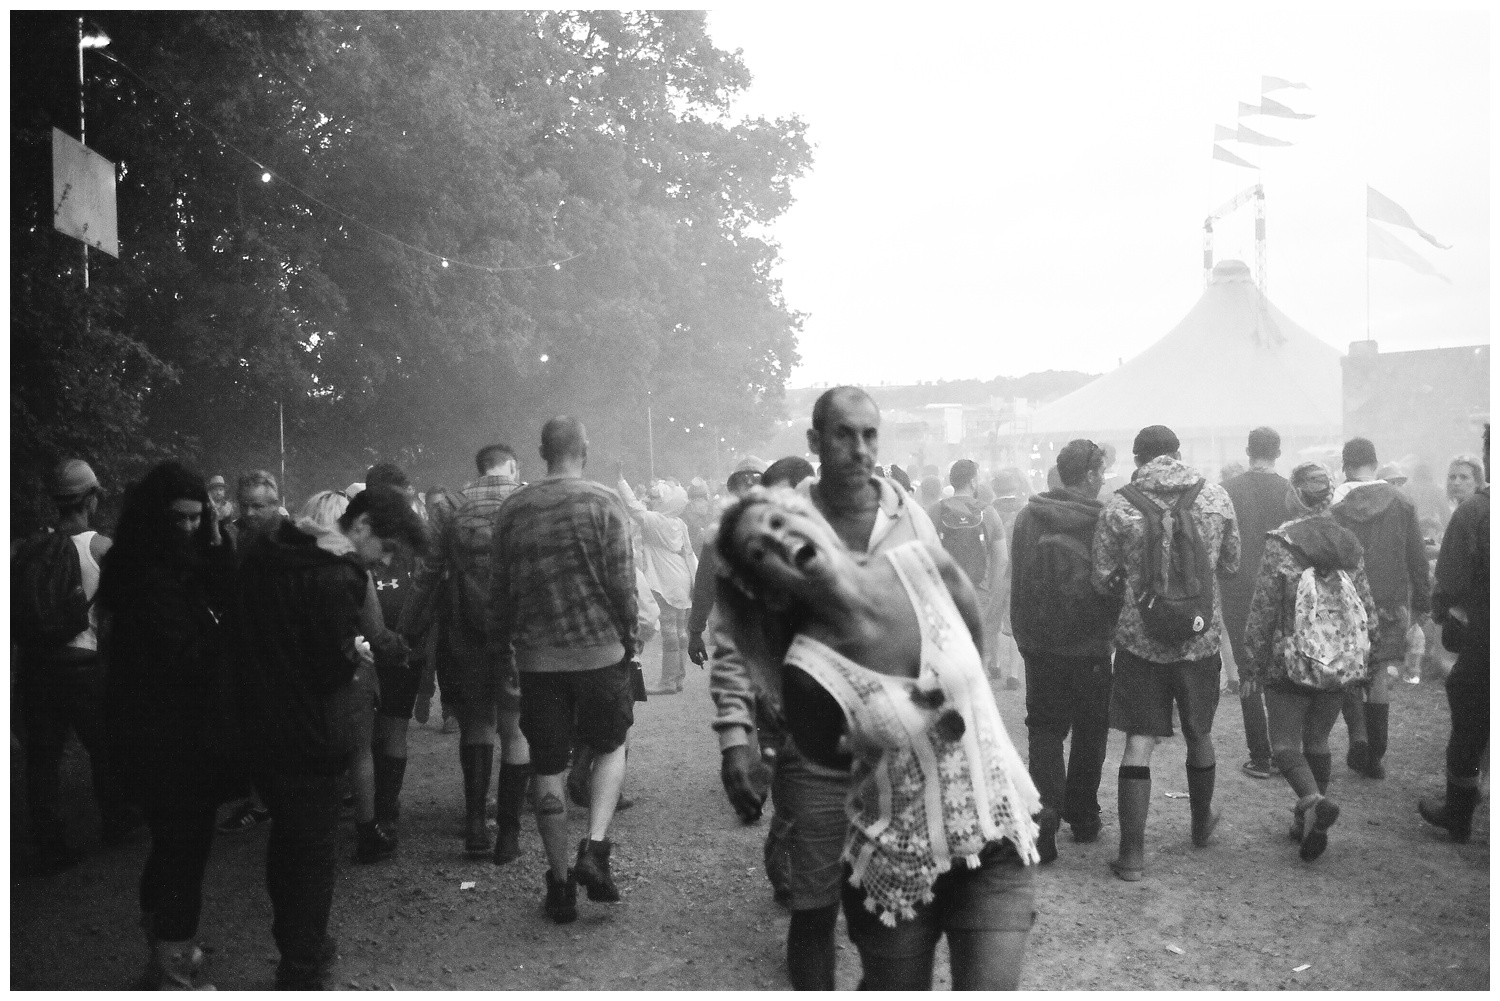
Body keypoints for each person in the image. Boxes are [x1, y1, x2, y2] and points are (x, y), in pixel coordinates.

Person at [717, 486, 1040, 989]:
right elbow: (836, 776)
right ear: (768, 588)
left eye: (778, 524)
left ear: (810, 521)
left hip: (992, 841)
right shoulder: (806, 675)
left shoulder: (928, 565)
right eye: (761, 552)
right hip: (897, 870)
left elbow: (974, 675)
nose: (779, 543)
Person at [708, 386, 939, 989]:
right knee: (813, 910)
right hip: (811, 753)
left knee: (894, 912)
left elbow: (938, 626)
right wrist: (736, 735)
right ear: (814, 442)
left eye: (869, 435)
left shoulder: (909, 518)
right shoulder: (776, 524)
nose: (859, 449)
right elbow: (734, 637)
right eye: (844, 434)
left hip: (896, 755)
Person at [235, 485, 427, 988]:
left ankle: (293, 943)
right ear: (360, 527)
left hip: (259, 719)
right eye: (385, 548)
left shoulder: (275, 549)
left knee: (287, 838)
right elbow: (324, 667)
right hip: (310, 727)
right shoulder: (338, 574)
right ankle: (303, 962)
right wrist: (355, 654)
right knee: (315, 850)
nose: (384, 561)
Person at [486, 417, 639, 924]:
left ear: (540, 451)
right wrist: (629, 634)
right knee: (611, 746)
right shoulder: (603, 502)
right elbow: (622, 583)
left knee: (546, 764)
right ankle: (594, 848)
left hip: (537, 659)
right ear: (585, 448)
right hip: (599, 653)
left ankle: (558, 884)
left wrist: (502, 649)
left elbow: (499, 590)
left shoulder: (514, 509)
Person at [99, 461, 236, 989]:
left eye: (195, 518)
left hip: (163, 732)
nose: (187, 528)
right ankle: (173, 965)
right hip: (165, 735)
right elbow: (185, 653)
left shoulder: (160, 563)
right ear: (157, 516)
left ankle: (166, 951)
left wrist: (216, 537)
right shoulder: (146, 576)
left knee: (173, 846)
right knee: (183, 848)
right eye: (179, 519)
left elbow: (224, 590)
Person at [1091, 425, 1240, 881]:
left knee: (1139, 740)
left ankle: (1133, 854)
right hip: (1199, 640)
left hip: (1141, 643)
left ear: (1138, 459)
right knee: (1199, 734)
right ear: (1179, 453)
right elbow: (1231, 564)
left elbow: (1101, 576)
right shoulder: (1215, 498)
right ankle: (1200, 824)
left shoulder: (1120, 504)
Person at [1241, 463, 1379, 861]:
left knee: (1283, 746)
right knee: (1317, 740)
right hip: (1338, 661)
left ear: (1296, 495)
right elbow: (1364, 602)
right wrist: (1367, 660)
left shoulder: (1281, 542)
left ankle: (1312, 802)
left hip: (1291, 658)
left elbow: (1264, 606)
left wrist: (1252, 661)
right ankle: (1306, 824)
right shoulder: (1348, 543)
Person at [403, 444, 533, 861]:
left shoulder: (452, 511)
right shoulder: (527, 503)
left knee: (476, 726)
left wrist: (405, 629)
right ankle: (508, 835)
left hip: (466, 633)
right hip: (517, 635)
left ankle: (475, 826)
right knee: (515, 732)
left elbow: (427, 574)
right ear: (512, 467)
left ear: (479, 470)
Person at [13, 459, 136, 874]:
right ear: (92, 498)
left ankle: (50, 845)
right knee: (105, 747)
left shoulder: (29, 547)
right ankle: (117, 823)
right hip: (85, 667)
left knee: (43, 759)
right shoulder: (103, 548)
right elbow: (122, 614)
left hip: (38, 667)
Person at [1009, 440, 1122, 860]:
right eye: (1102, 473)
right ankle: (1084, 816)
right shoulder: (1105, 520)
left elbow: (1018, 579)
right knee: (1091, 730)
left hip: (1041, 644)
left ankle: (1045, 813)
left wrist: (1023, 638)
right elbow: (1114, 583)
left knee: (1044, 728)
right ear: (1091, 475)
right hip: (1092, 644)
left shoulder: (1028, 517)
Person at [299, 489, 392, 863]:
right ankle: (367, 830)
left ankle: (308, 831)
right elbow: (374, 626)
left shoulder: (295, 561)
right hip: (350, 668)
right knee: (358, 751)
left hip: (299, 673)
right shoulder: (352, 568)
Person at [1330, 438, 1430, 780]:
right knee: (1380, 676)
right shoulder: (1401, 501)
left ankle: (1358, 737)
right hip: (1390, 604)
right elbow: (1417, 557)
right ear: (1375, 462)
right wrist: (1422, 605)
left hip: (1347, 602)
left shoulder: (1337, 503)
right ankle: (1376, 755)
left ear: (1346, 466)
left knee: (1349, 672)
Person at [1419, 427, 1489, 843]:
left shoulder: (1476, 513)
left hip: (1485, 637)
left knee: (1469, 718)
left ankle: (1459, 814)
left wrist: (1443, 613)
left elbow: (1449, 580)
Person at [216, 469, 287, 836]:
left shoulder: (290, 540)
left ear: (276, 504)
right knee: (254, 727)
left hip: (281, 648)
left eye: (259, 506)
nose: (252, 512)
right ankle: (260, 802)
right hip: (246, 645)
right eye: (246, 506)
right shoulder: (235, 536)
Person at [1220, 427, 1292, 779]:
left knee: (1248, 667)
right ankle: (1283, 751)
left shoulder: (1229, 490)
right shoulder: (1289, 491)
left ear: (1248, 451)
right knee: (1279, 666)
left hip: (1237, 587)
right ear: (1278, 452)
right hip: (1281, 587)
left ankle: (1260, 755)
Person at [362, 462, 424, 850]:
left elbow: (428, 589)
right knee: (364, 734)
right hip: (363, 653)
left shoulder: (412, 540)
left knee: (393, 728)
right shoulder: (356, 537)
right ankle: (371, 810)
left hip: (404, 653)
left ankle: (385, 809)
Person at [616, 472, 698, 695]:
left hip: (664, 578)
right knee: (681, 629)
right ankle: (678, 678)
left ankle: (668, 680)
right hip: (682, 575)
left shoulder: (654, 521)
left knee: (669, 629)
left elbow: (633, 507)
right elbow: (688, 552)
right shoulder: (679, 523)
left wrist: (621, 481)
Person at [928, 459, 1007, 680]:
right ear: (973, 481)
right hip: (977, 593)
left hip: (943, 593)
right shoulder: (987, 513)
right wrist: (992, 591)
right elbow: (1001, 559)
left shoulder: (936, 510)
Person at [989, 468, 1031, 691]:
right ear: (1015, 488)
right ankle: (1014, 674)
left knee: (993, 619)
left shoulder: (988, 512)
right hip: (1018, 574)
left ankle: (994, 663)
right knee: (1014, 622)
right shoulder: (1025, 511)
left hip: (994, 573)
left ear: (995, 489)